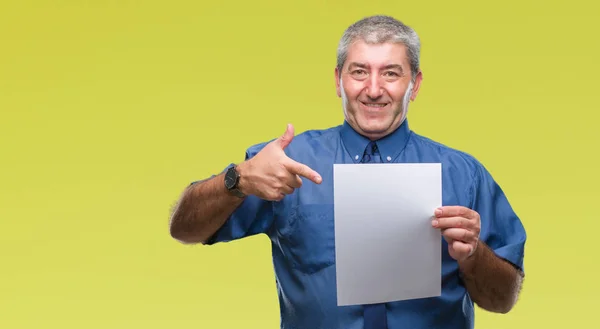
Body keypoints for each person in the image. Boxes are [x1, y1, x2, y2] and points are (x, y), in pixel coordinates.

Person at [169, 15, 526, 329]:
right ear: (339, 80)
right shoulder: (283, 163)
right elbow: (184, 229)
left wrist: (473, 254)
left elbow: (503, 300)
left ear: (414, 85)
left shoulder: (462, 174)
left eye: (390, 73)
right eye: (359, 72)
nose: (373, 90)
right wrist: (239, 179)